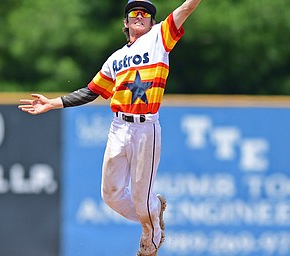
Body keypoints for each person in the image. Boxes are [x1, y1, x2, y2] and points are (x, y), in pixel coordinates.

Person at [18, 0, 201, 255]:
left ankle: (150, 240)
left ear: (151, 22)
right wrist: (52, 103)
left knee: (140, 197)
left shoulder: (159, 38)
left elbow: (186, 9)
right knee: (111, 195)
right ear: (125, 23)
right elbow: (91, 91)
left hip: (145, 128)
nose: (140, 16)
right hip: (118, 127)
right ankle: (153, 212)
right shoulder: (115, 59)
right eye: (134, 13)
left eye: (145, 14)